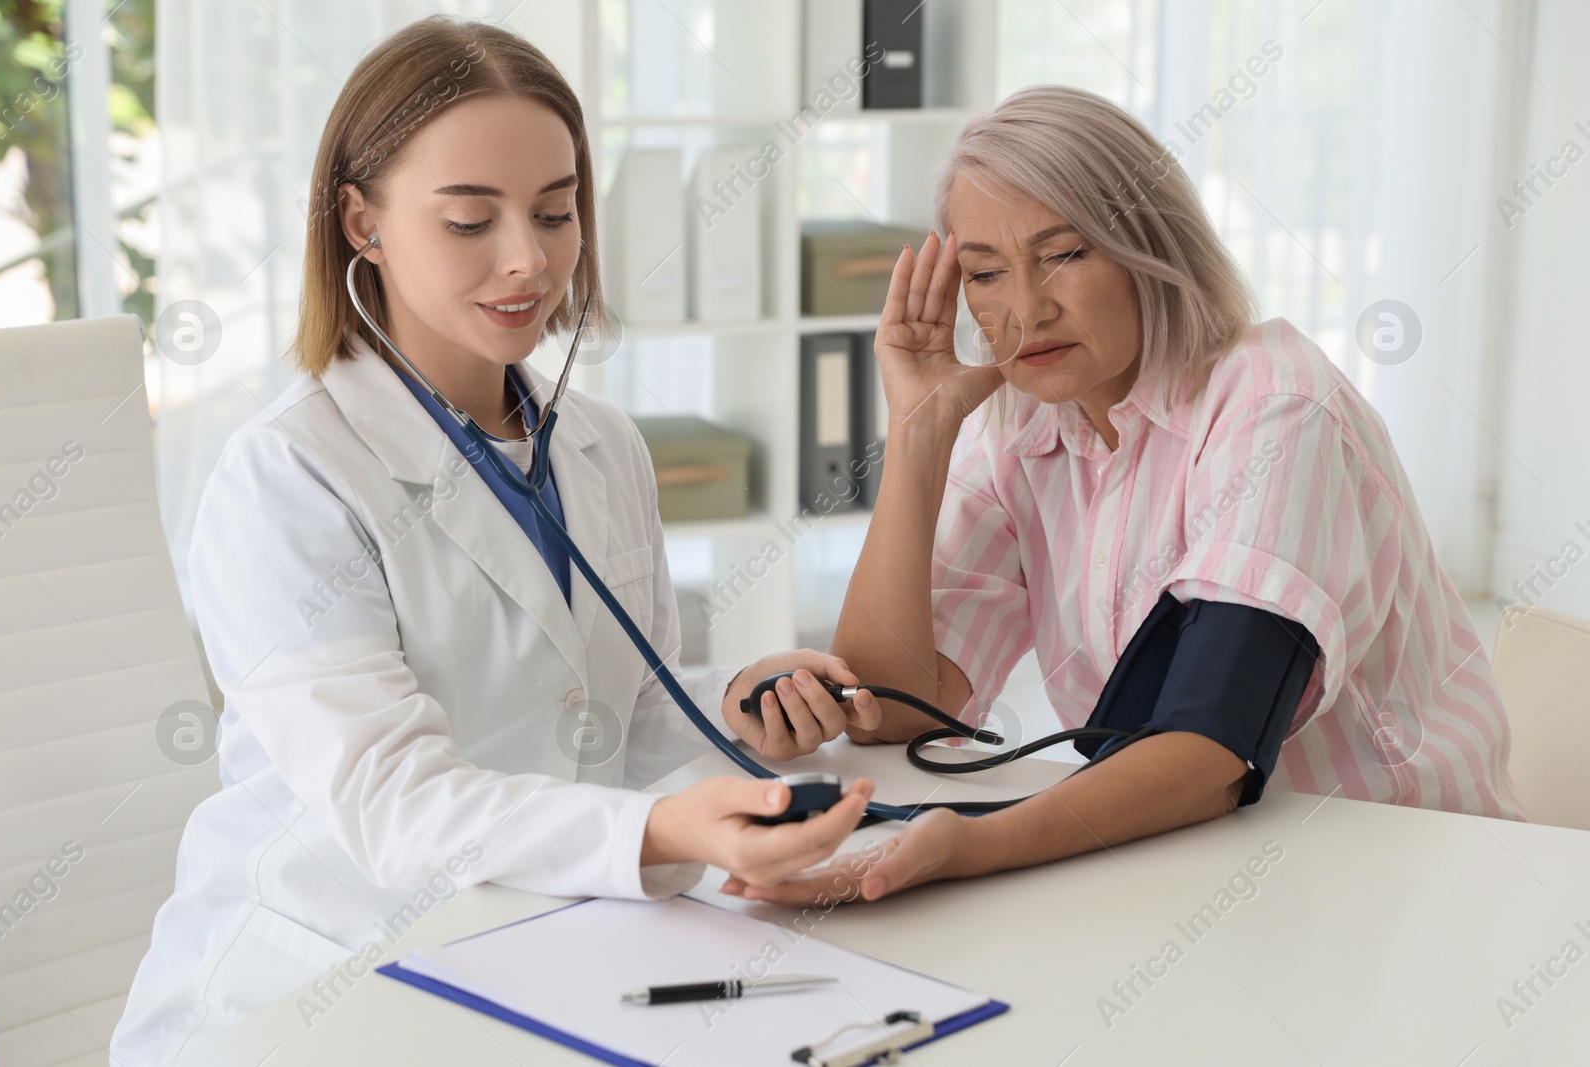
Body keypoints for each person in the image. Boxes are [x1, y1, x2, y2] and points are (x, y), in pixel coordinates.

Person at [112, 18, 882, 1064]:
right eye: (470, 220)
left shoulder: (600, 443)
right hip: (321, 980)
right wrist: (663, 833)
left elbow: (619, 713)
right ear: (361, 222)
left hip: (533, 941)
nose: (530, 260)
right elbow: (393, 805)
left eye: (556, 212)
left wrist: (740, 715)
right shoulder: (286, 476)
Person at [724, 85, 1526, 908]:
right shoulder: (1021, 430)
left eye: (1065, 254)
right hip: (1194, 867)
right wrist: (920, 434)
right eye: (986, 273)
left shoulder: (1275, 406)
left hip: (1404, 880)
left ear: (1150, 244)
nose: (1026, 310)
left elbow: (1208, 750)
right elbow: (898, 703)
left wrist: (976, 842)